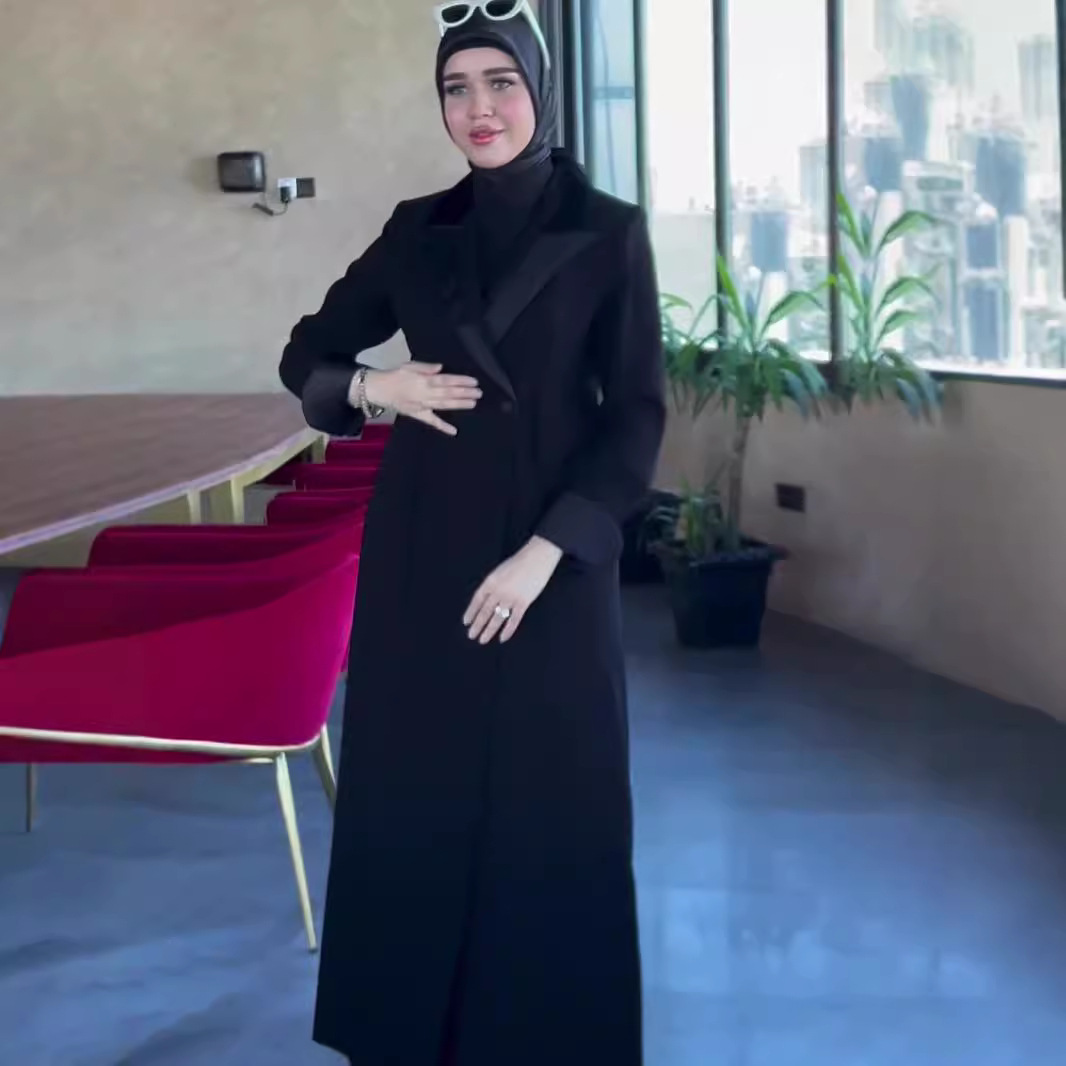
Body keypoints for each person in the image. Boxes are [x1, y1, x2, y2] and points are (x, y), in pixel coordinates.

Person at [278, 2, 665, 1062]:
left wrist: (546, 554)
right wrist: (376, 386)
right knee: (418, 787)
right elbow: (308, 350)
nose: (478, 107)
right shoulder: (417, 229)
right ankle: (407, 1032)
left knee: (555, 794)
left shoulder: (609, 231)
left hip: (552, 556)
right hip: (426, 544)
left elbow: (635, 418)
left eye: (500, 82)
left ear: (538, 90)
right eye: (457, 87)